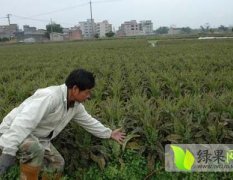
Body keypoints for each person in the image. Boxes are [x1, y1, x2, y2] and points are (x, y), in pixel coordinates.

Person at [0, 69, 126, 179]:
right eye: (87, 92)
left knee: (57, 164)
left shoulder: (75, 106)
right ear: (75, 89)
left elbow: (89, 122)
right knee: (34, 149)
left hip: (38, 138)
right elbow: (23, 122)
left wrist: (109, 133)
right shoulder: (51, 97)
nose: (89, 96)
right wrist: (9, 151)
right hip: (12, 132)